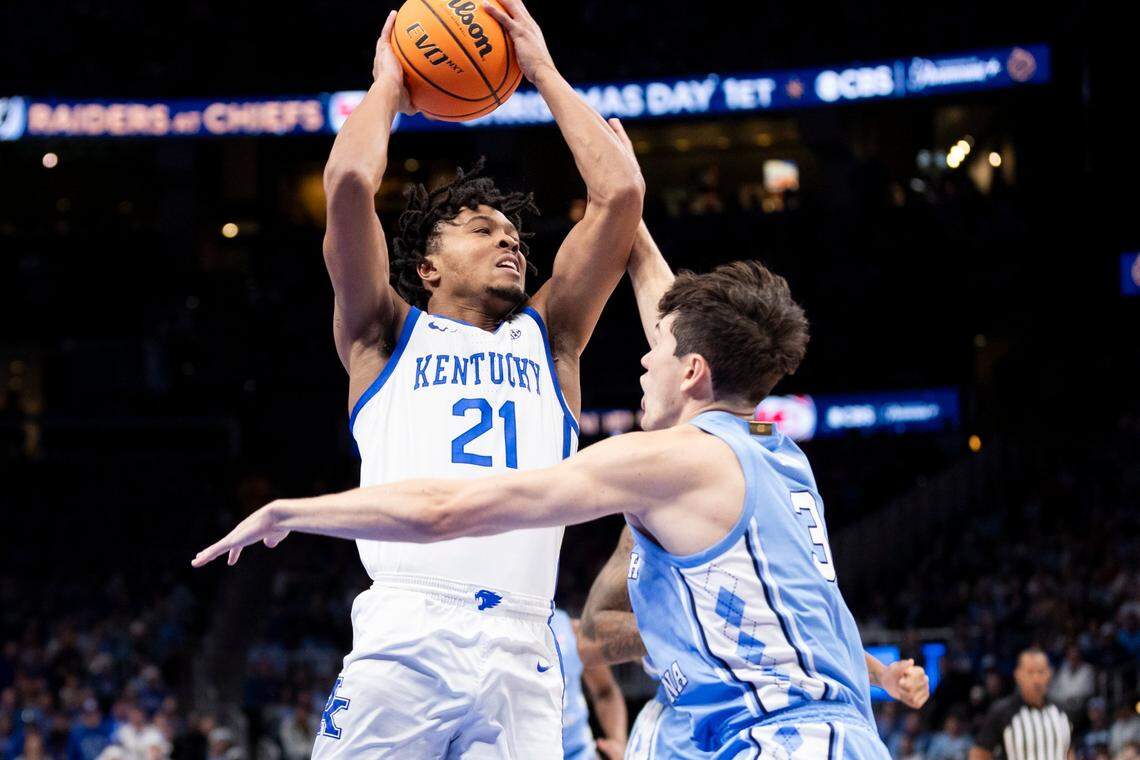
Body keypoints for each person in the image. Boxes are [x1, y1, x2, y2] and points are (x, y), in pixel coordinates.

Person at [195, 250, 905, 757]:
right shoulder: (779, 456)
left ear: (692, 373)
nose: (642, 359)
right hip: (823, 732)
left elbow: (447, 508)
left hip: (781, 741)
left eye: (659, 354)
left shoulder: (668, 459)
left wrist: (293, 510)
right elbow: (811, 609)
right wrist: (627, 226)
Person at [210, 0, 643, 754]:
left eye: (514, 235)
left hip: (524, 637)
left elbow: (621, 199)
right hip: (409, 627)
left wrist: (539, 69)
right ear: (427, 266)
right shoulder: (383, 331)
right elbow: (348, 182)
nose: (510, 242)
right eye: (483, 230)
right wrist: (390, 86)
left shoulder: (554, 339)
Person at [575, 191, 930, 758]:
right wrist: (626, 207)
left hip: (768, 726)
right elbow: (593, 634)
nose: (646, 361)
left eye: (661, 354)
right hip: (701, 719)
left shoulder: (744, 460)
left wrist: (873, 673)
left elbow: (798, 614)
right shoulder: (670, 487)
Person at [548, 609, 627, 760]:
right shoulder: (495, 633)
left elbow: (606, 691)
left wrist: (619, 743)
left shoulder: (571, 629)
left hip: (580, 753)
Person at [970, 648, 1073, 760]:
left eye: (1041, 672)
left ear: (1049, 674)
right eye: (1030, 672)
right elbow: (979, 753)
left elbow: (1069, 752)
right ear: (1018, 675)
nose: (1036, 679)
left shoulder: (1062, 712)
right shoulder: (1002, 711)